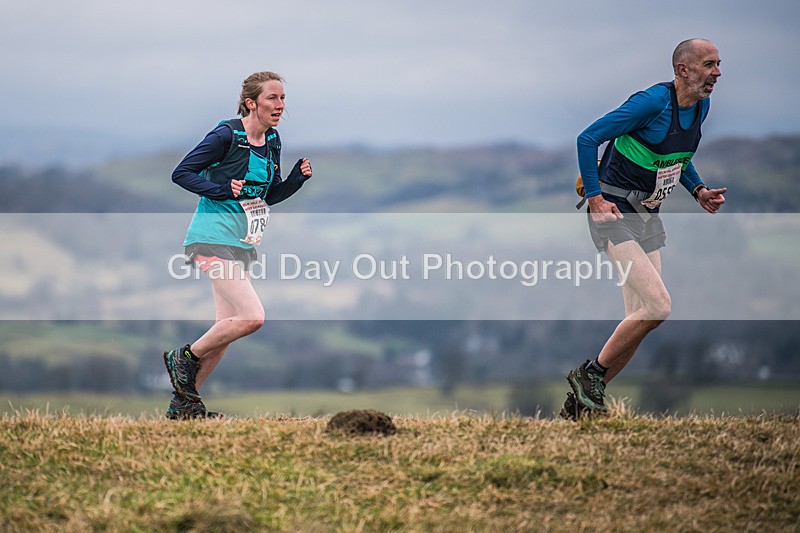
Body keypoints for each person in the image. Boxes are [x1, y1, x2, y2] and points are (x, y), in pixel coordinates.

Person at [561, 39, 726, 420]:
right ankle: (589, 377)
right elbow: (587, 139)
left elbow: (675, 159)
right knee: (658, 307)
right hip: (615, 213)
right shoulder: (651, 103)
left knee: (639, 319)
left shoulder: (700, 105)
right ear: (683, 70)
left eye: (718, 64)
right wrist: (598, 198)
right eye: (708, 64)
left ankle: (579, 410)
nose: (717, 72)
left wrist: (698, 189)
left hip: (649, 214)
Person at [163, 71, 313, 419]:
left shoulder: (272, 141)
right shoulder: (225, 136)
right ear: (251, 103)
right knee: (252, 317)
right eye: (272, 98)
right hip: (211, 238)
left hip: (241, 243)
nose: (280, 105)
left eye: (282, 98)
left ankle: (184, 407)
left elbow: (268, 195)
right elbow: (182, 173)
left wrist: (296, 180)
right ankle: (182, 357)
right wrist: (220, 189)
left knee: (225, 329)